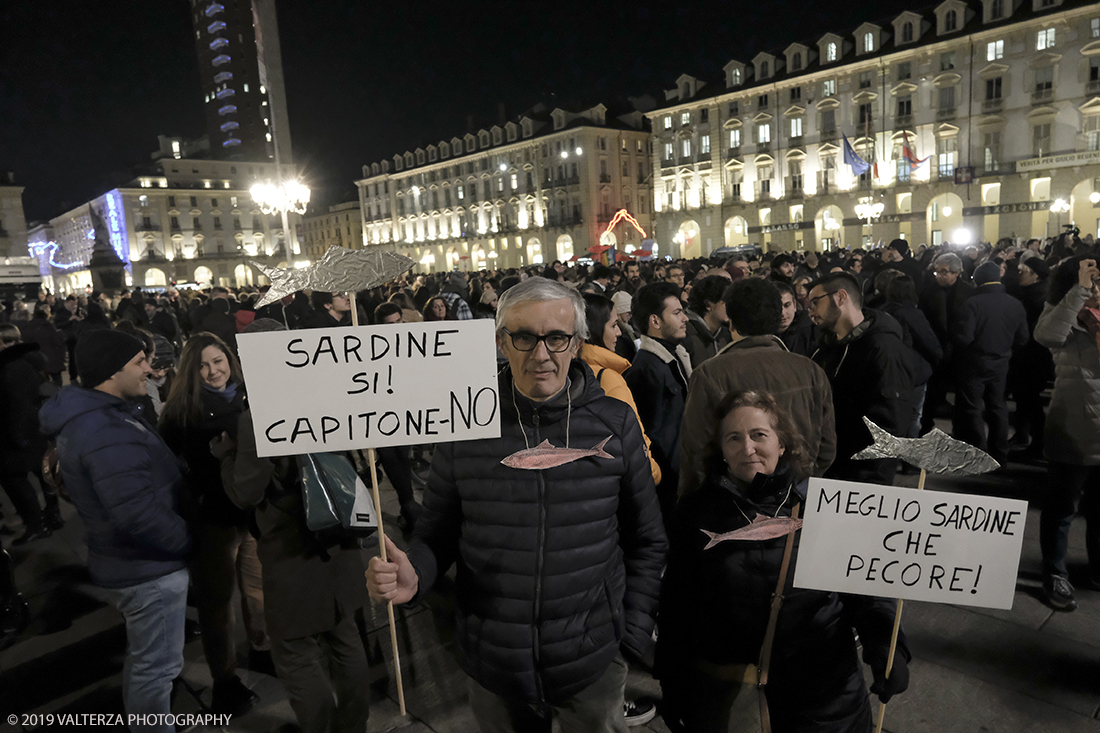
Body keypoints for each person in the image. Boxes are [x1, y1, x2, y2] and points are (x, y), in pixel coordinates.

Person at [366, 277, 667, 732]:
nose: (541, 354)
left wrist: (630, 635)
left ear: (578, 343)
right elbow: (437, 533)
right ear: (501, 341)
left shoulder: (616, 421)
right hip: (494, 664)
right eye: (524, 337)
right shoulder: (464, 423)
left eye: (557, 337)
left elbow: (647, 540)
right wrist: (417, 573)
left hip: (593, 660)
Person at [657, 391, 908, 732]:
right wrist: (673, 684)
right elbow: (677, 608)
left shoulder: (827, 505)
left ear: (783, 444)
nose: (748, 448)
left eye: (759, 435)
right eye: (734, 438)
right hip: (734, 700)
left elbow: (864, 588)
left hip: (825, 696)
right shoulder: (696, 512)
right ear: (722, 451)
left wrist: (887, 646)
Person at [214, 319, 370, 733]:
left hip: (293, 550)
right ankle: (353, 727)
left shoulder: (257, 415)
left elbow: (245, 492)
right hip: (341, 538)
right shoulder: (326, 396)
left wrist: (227, 456)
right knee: (345, 639)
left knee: (295, 654)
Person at [38, 330, 191, 733]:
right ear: (111, 370)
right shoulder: (104, 429)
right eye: (139, 361)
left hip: (130, 561)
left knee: (148, 662)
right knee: (155, 669)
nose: (148, 368)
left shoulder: (101, 415)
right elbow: (137, 512)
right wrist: (187, 541)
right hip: (147, 568)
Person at [159, 334, 268, 715]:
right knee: (218, 602)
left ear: (230, 360)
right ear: (191, 369)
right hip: (214, 519)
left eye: (218, 361)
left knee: (257, 589)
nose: (213, 371)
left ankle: (262, 646)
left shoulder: (251, 395)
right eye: (203, 365)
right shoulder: (180, 410)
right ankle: (225, 678)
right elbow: (167, 464)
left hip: (252, 513)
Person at [678, 278, 836, 497]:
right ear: (776, 317)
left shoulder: (709, 373)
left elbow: (695, 452)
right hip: (796, 497)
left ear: (731, 322)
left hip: (734, 500)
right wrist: (800, 480)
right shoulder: (810, 369)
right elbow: (827, 447)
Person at [1035, 256, 1100, 611]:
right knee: (1061, 509)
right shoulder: (1061, 313)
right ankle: (1055, 572)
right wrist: (1079, 293)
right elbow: (1046, 336)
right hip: (1073, 429)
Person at [807, 273, 913, 485]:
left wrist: (871, 477)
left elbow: (892, 422)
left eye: (815, 302)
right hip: (831, 469)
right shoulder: (825, 347)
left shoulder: (883, 348)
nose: (809, 311)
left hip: (863, 476)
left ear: (840, 297)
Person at [625, 281, 691, 527]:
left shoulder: (671, 356)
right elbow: (650, 435)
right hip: (667, 486)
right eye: (677, 313)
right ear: (655, 321)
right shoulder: (646, 369)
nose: (685, 318)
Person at [579, 292, 661, 486]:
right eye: (614, 325)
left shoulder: (566, 371)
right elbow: (635, 442)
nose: (619, 333)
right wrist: (655, 473)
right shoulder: (607, 378)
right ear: (594, 330)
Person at [951, 262, 1029, 464]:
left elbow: (964, 337)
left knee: (972, 407)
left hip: (974, 362)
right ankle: (1000, 452)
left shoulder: (972, 304)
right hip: (1001, 362)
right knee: (997, 406)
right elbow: (1023, 337)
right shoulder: (1015, 304)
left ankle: (979, 450)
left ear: (977, 280)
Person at [0, 324, 60, 543]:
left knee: (14, 479)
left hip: (19, 433)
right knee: (42, 473)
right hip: (36, 428)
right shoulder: (28, 362)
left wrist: (17, 436)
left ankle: (36, 524)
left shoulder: (11, 368)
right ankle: (53, 516)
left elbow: (17, 405)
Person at [880, 276, 942, 439]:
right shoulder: (911, 313)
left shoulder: (882, 313)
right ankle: (910, 461)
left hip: (890, 372)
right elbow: (930, 342)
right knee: (913, 417)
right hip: (912, 372)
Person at [919, 252, 974, 433]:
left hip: (959, 349)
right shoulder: (928, 290)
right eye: (937, 271)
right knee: (932, 393)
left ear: (956, 273)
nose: (940, 275)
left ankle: (960, 430)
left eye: (945, 272)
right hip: (935, 347)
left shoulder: (968, 292)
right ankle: (926, 427)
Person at [1007, 257, 1053, 455]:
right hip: (1028, 356)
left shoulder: (1037, 299)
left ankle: (1037, 441)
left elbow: (1031, 331)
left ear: (1035, 275)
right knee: (1024, 398)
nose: (1019, 274)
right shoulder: (1031, 293)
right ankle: (1024, 435)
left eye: (1022, 271)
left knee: (1029, 399)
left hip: (1032, 357)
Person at [684, 275, 732, 368]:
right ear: (708, 304)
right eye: (726, 301)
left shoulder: (726, 334)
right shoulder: (686, 334)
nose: (732, 306)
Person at [19, 304, 66, 387]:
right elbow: (58, 342)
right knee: (57, 379)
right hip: (51, 357)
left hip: (36, 358)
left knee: (42, 382)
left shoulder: (27, 327)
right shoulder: (48, 327)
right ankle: (58, 395)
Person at [775, 281, 815, 357]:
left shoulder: (810, 330)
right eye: (777, 307)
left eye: (787, 305)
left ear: (795, 305)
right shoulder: (761, 335)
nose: (782, 313)